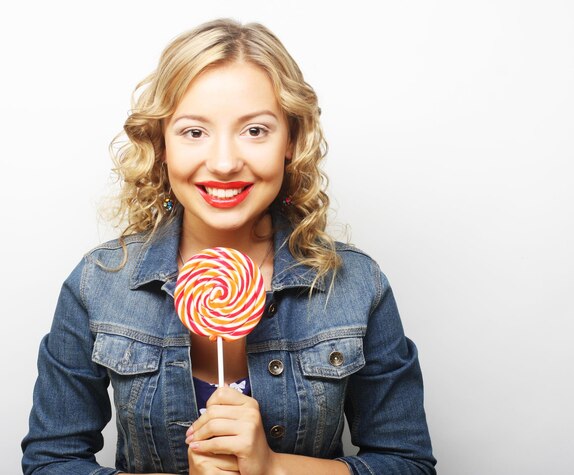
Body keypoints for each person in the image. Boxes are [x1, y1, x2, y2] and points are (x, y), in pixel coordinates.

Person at [22, 19, 436, 475]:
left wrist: (273, 467)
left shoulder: (355, 285)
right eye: (193, 132)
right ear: (161, 144)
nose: (223, 163)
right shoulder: (99, 284)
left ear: (291, 141)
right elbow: (50, 464)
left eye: (255, 130)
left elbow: (408, 464)